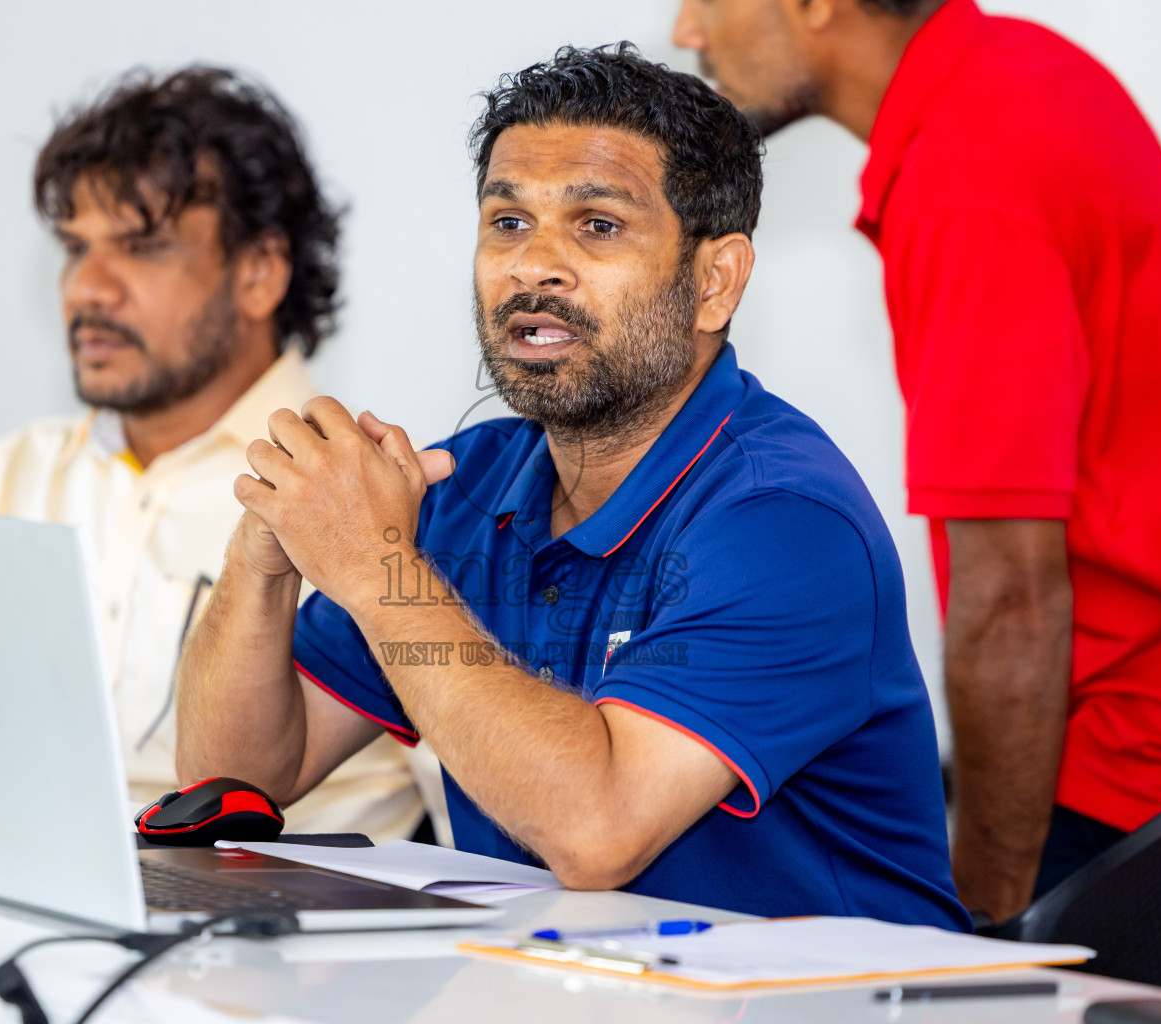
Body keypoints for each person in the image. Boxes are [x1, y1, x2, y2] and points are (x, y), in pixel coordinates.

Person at [176, 44, 968, 927]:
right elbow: (232, 782)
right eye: (507, 222)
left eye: (597, 224)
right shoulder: (465, 485)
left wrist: (374, 566)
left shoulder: (785, 519)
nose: (533, 266)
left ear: (715, 281)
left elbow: (597, 831)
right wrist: (268, 544)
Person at [671, 0, 1161, 921]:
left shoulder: (969, 178)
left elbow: (1011, 601)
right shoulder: (1018, 74)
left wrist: (984, 925)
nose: (688, 31)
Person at [0, 66, 441, 842]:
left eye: (141, 247)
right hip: (10, 906)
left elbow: (485, 820)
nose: (88, 287)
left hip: (279, 938)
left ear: (259, 272)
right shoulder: (17, 473)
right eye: (74, 248)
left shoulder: (379, 494)